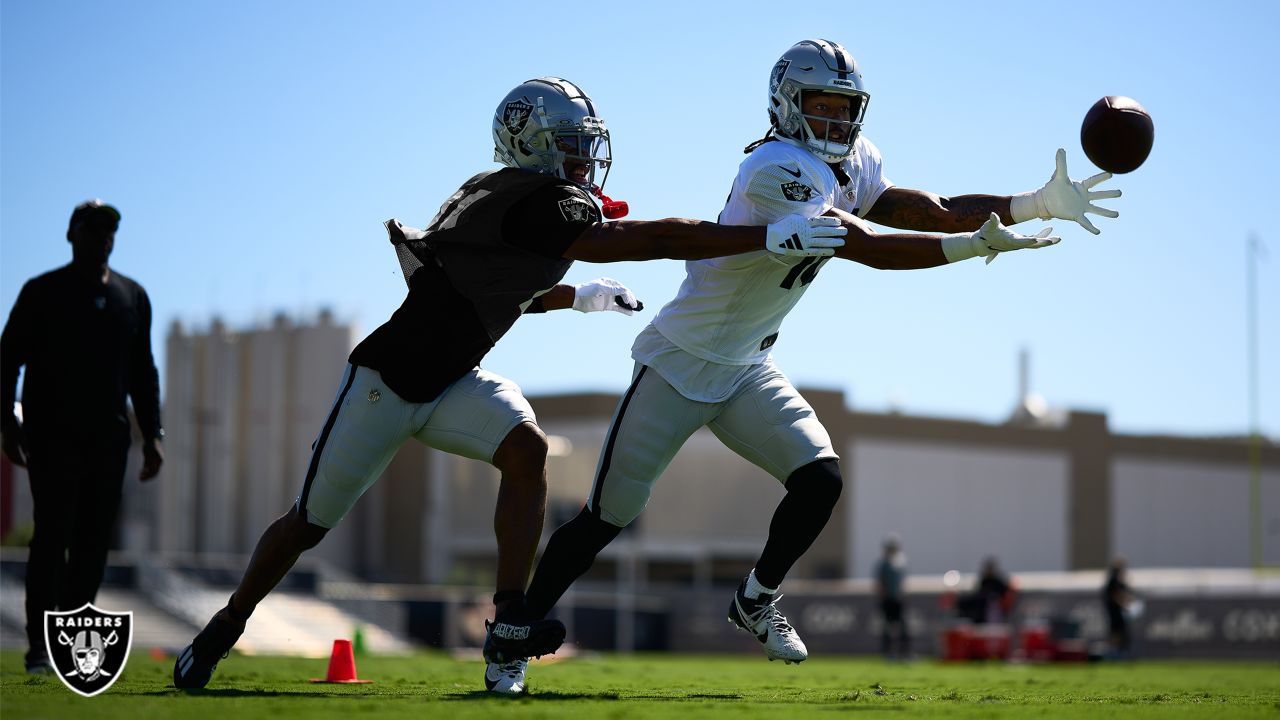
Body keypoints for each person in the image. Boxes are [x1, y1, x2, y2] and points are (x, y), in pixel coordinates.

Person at [172, 76, 848, 696]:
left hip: (454, 381)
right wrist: (762, 236)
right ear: (531, 143)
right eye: (570, 144)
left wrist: (573, 299)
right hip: (387, 383)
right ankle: (222, 629)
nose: (584, 156)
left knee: (527, 450)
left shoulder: (511, 196)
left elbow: (492, 289)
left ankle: (510, 622)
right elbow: (650, 240)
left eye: (587, 142)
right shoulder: (538, 202)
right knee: (308, 524)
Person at [518, 38, 1120, 676]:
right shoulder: (773, 166)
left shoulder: (854, 160)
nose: (835, 120)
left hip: (748, 364)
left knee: (820, 479)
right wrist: (973, 249)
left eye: (845, 106)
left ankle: (757, 599)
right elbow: (863, 243)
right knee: (604, 520)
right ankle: (515, 635)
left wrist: (1032, 205)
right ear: (786, 105)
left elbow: (923, 210)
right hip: (679, 360)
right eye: (821, 104)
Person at [1, 200, 165, 674]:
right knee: (52, 535)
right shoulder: (42, 292)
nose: (102, 237)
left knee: (93, 543)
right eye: (92, 228)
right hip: (52, 437)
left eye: (110, 229)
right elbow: (7, 359)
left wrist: (152, 435)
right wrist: (6, 423)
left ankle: (68, 643)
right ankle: (38, 647)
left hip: (109, 440)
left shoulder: (132, 297)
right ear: (71, 234)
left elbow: (143, 372)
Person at [875, 534, 909, 660]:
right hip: (888, 600)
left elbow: (902, 582)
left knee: (903, 627)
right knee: (887, 628)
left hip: (898, 600)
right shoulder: (883, 564)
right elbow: (880, 583)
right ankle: (888, 653)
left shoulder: (900, 562)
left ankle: (904, 653)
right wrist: (883, 598)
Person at [1103, 556, 1135, 657]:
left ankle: (1118, 653)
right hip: (1115, 611)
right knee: (1116, 632)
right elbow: (1116, 595)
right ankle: (1114, 654)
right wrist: (1124, 604)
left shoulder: (1119, 581)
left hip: (1120, 612)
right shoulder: (1113, 580)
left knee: (1121, 632)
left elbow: (1126, 593)